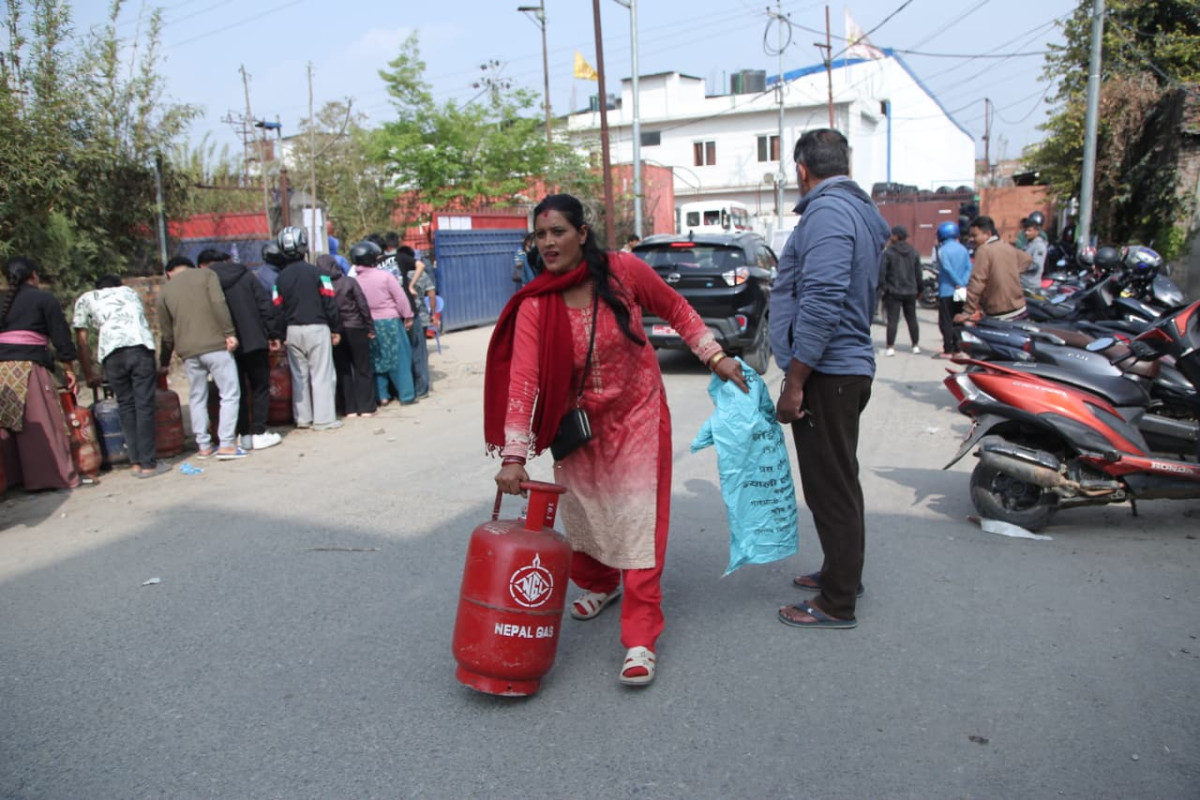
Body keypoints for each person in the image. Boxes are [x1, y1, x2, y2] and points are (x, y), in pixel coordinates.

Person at [486, 193, 748, 687]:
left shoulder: (624, 271)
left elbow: (675, 307)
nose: (548, 243)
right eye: (540, 235)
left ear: (582, 233)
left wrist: (714, 356)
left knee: (638, 523)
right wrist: (514, 456)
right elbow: (523, 380)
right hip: (579, 426)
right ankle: (602, 583)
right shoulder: (536, 303)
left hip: (638, 415)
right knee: (585, 512)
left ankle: (640, 637)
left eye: (558, 232)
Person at [769, 128, 891, 630]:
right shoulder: (856, 209)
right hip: (840, 367)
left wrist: (795, 382)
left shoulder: (827, 212)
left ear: (803, 169)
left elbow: (822, 300)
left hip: (827, 371)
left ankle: (837, 602)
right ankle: (841, 572)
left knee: (830, 486)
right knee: (836, 480)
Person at [0, 256, 90, 489]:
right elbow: (60, 336)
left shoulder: (3, 301)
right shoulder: (43, 298)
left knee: (8, 424)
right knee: (41, 422)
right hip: (28, 367)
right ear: (34, 275)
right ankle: (52, 477)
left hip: (2, 371)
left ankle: (13, 479)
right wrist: (69, 368)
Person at [72, 274, 166, 478]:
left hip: (112, 356)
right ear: (119, 285)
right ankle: (149, 464)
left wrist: (88, 374)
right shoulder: (130, 292)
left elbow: (81, 342)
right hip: (140, 350)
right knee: (144, 406)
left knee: (126, 405)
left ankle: (135, 463)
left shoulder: (86, 298)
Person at [157, 255, 246, 460]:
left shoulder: (165, 291)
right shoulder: (207, 275)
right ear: (191, 267)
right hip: (215, 345)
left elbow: (167, 333)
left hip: (189, 352)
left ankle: (204, 446)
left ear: (169, 273)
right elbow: (218, 303)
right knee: (229, 393)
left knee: (197, 397)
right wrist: (229, 333)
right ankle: (226, 444)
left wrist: (164, 362)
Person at [198, 248, 282, 451]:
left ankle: (243, 434)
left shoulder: (208, 283)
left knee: (236, 390)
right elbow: (264, 305)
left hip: (227, 344)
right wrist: (273, 334)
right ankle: (259, 432)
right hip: (255, 340)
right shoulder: (246, 275)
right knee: (260, 387)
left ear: (204, 265)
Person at [272, 226, 344, 431]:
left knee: (299, 375)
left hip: (292, 331)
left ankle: (303, 418)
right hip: (317, 328)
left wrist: (278, 334)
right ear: (304, 247)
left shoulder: (280, 279)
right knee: (321, 374)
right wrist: (336, 328)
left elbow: (277, 308)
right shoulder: (319, 274)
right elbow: (329, 302)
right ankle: (324, 419)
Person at [351, 239, 416, 406]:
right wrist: (407, 316)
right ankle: (406, 395)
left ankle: (383, 396)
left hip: (369, 325)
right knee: (400, 358)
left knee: (376, 359)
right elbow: (400, 298)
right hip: (390, 322)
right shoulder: (385, 276)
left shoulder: (354, 281)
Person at [318, 252, 376, 418]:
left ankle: (349, 408)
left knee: (343, 369)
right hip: (356, 327)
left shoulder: (322, 286)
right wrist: (370, 326)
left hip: (336, 331)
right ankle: (366, 407)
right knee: (362, 367)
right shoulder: (349, 282)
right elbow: (362, 304)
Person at [954, 216, 1031, 324]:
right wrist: (1010, 273)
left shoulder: (983, 250)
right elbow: (1027, 259)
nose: (971, 239)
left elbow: (977, 282)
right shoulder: (1006, 246)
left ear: (988, 234)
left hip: (1000, 313)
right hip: (1020, 308)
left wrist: (967, 311)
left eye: (974, 235)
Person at [396, 245, 434, 398]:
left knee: (407, 351)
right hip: (421, 316)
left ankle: (410, 384)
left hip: (402, 316)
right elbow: (431, 294)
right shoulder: (422, 275)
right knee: (420, 352)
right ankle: (422, 386)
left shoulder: (397, 275)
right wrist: (433, 314)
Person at [932, 221, 973, 358]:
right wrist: (962, 283)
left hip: (947, 289)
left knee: (946, 320)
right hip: (961, 290)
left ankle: (948, 349)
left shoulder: (942, 250)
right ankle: (958, 347)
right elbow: (969, 267)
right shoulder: (963, 249)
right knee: (958, 318)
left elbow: (947, 268)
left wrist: (956, 282)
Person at [879, 225, 922, 356]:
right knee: (912, 318)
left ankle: (890, 347)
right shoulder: (913, 252)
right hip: (911, 291)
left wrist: (883, 288)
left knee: (893, 319)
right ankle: (915, 345)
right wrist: (919, 289)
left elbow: (882, 273)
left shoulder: (889, 252)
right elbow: (918, 273)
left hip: (893, 291)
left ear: (896, 237)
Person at [1021, 217, 1048, 292]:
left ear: (1036, 231)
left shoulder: (1039, 246)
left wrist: (1020, 265)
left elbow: (1035, 266)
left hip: (1031, 286)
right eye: (1025, 230)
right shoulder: (1027, 243)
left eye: (1029, 230)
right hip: (1022, 283)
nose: (1026, 233)